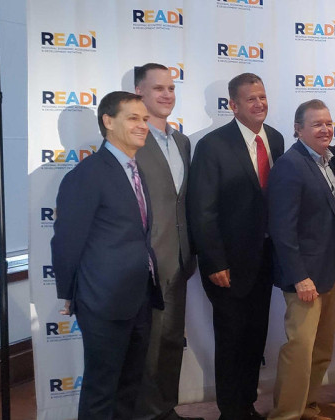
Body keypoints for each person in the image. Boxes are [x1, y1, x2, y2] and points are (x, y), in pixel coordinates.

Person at [51, 91, 162, 419]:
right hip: (102, 301)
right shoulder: (87, 175)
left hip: (139, 296)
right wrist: (69, 294)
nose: (143, 125)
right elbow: (66, 242)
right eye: (133, 118)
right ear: (108, 122)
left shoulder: (135, 170)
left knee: (130, 386)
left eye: (144, 119)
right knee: (102, 390)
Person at [188, 73, 284, 420]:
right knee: (231, 340)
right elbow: (202, 210)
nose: (260, 104)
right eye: (251, 99)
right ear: (233, 105)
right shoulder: (212, 145)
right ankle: (231, 412)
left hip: (265, 261)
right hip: (227, 264)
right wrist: (214, 262)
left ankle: (247, 405)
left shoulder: (276, 138)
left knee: (255, 337)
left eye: (262, 96)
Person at [267, 100, 335, 420]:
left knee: (322, 349)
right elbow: (282, 229)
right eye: (316, 124)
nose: (325, 129)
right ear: (298, 129)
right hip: (306, 277)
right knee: (299, 349)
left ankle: (308, 406)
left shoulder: (328, 161)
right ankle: (285, 414)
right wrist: (300, 276)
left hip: (330, 270)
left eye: (328, 123)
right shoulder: (290, 164)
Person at [132, 63, 200, 420]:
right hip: (146, 263)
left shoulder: (182, 141)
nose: (167, 95)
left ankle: (165, 408)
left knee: (172, 340)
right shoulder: (131, 141)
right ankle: (146, 413)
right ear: (138, 93)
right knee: (149, 345)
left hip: (180, 259)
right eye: (158, 88)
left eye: (171, 88)